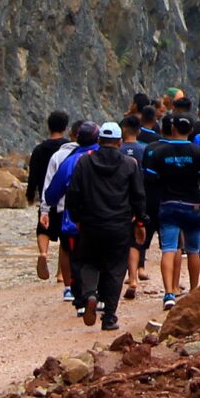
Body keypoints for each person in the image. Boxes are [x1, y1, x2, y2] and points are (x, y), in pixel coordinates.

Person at [63, 120, 147, 330]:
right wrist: (140, 221)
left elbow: (73, 193)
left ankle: (90, 294)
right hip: (119, 226)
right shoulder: (130, 164)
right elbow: (138, 196)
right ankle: (109, 317)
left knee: (88, 262)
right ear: (119, 142)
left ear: (99, 140)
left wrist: (76, 217)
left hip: (91, 224)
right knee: (116, 269)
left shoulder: (84, 162)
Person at [139, 119, 200, 305]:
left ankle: (169, 294)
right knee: (193, 250)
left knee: (169, 249)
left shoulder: (159, 152)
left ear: (172, 128)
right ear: (191, 130)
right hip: (193, 206)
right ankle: (194, 290)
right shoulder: (198, 152)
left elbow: (149, 181)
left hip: (168, 204)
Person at [41, 121, 99, 303]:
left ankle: (71, 288)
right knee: (96, 252)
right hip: (102, 213)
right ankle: (95, 291)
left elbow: (51, 189)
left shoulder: (64, 158)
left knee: (68, 251)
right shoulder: (106, 155)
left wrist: (45, 208)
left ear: (74, 136)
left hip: (67, 213)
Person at [25, 111, 69, 280]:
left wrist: (30, 194)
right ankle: (60, 273)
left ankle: (43, 253)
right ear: (65, 127)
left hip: (46, 196)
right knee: (64, 235)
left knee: (42, 227)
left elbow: (33, 175)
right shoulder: (68, 148)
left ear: (48, 126)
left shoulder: (39, 150)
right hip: (64, 197)